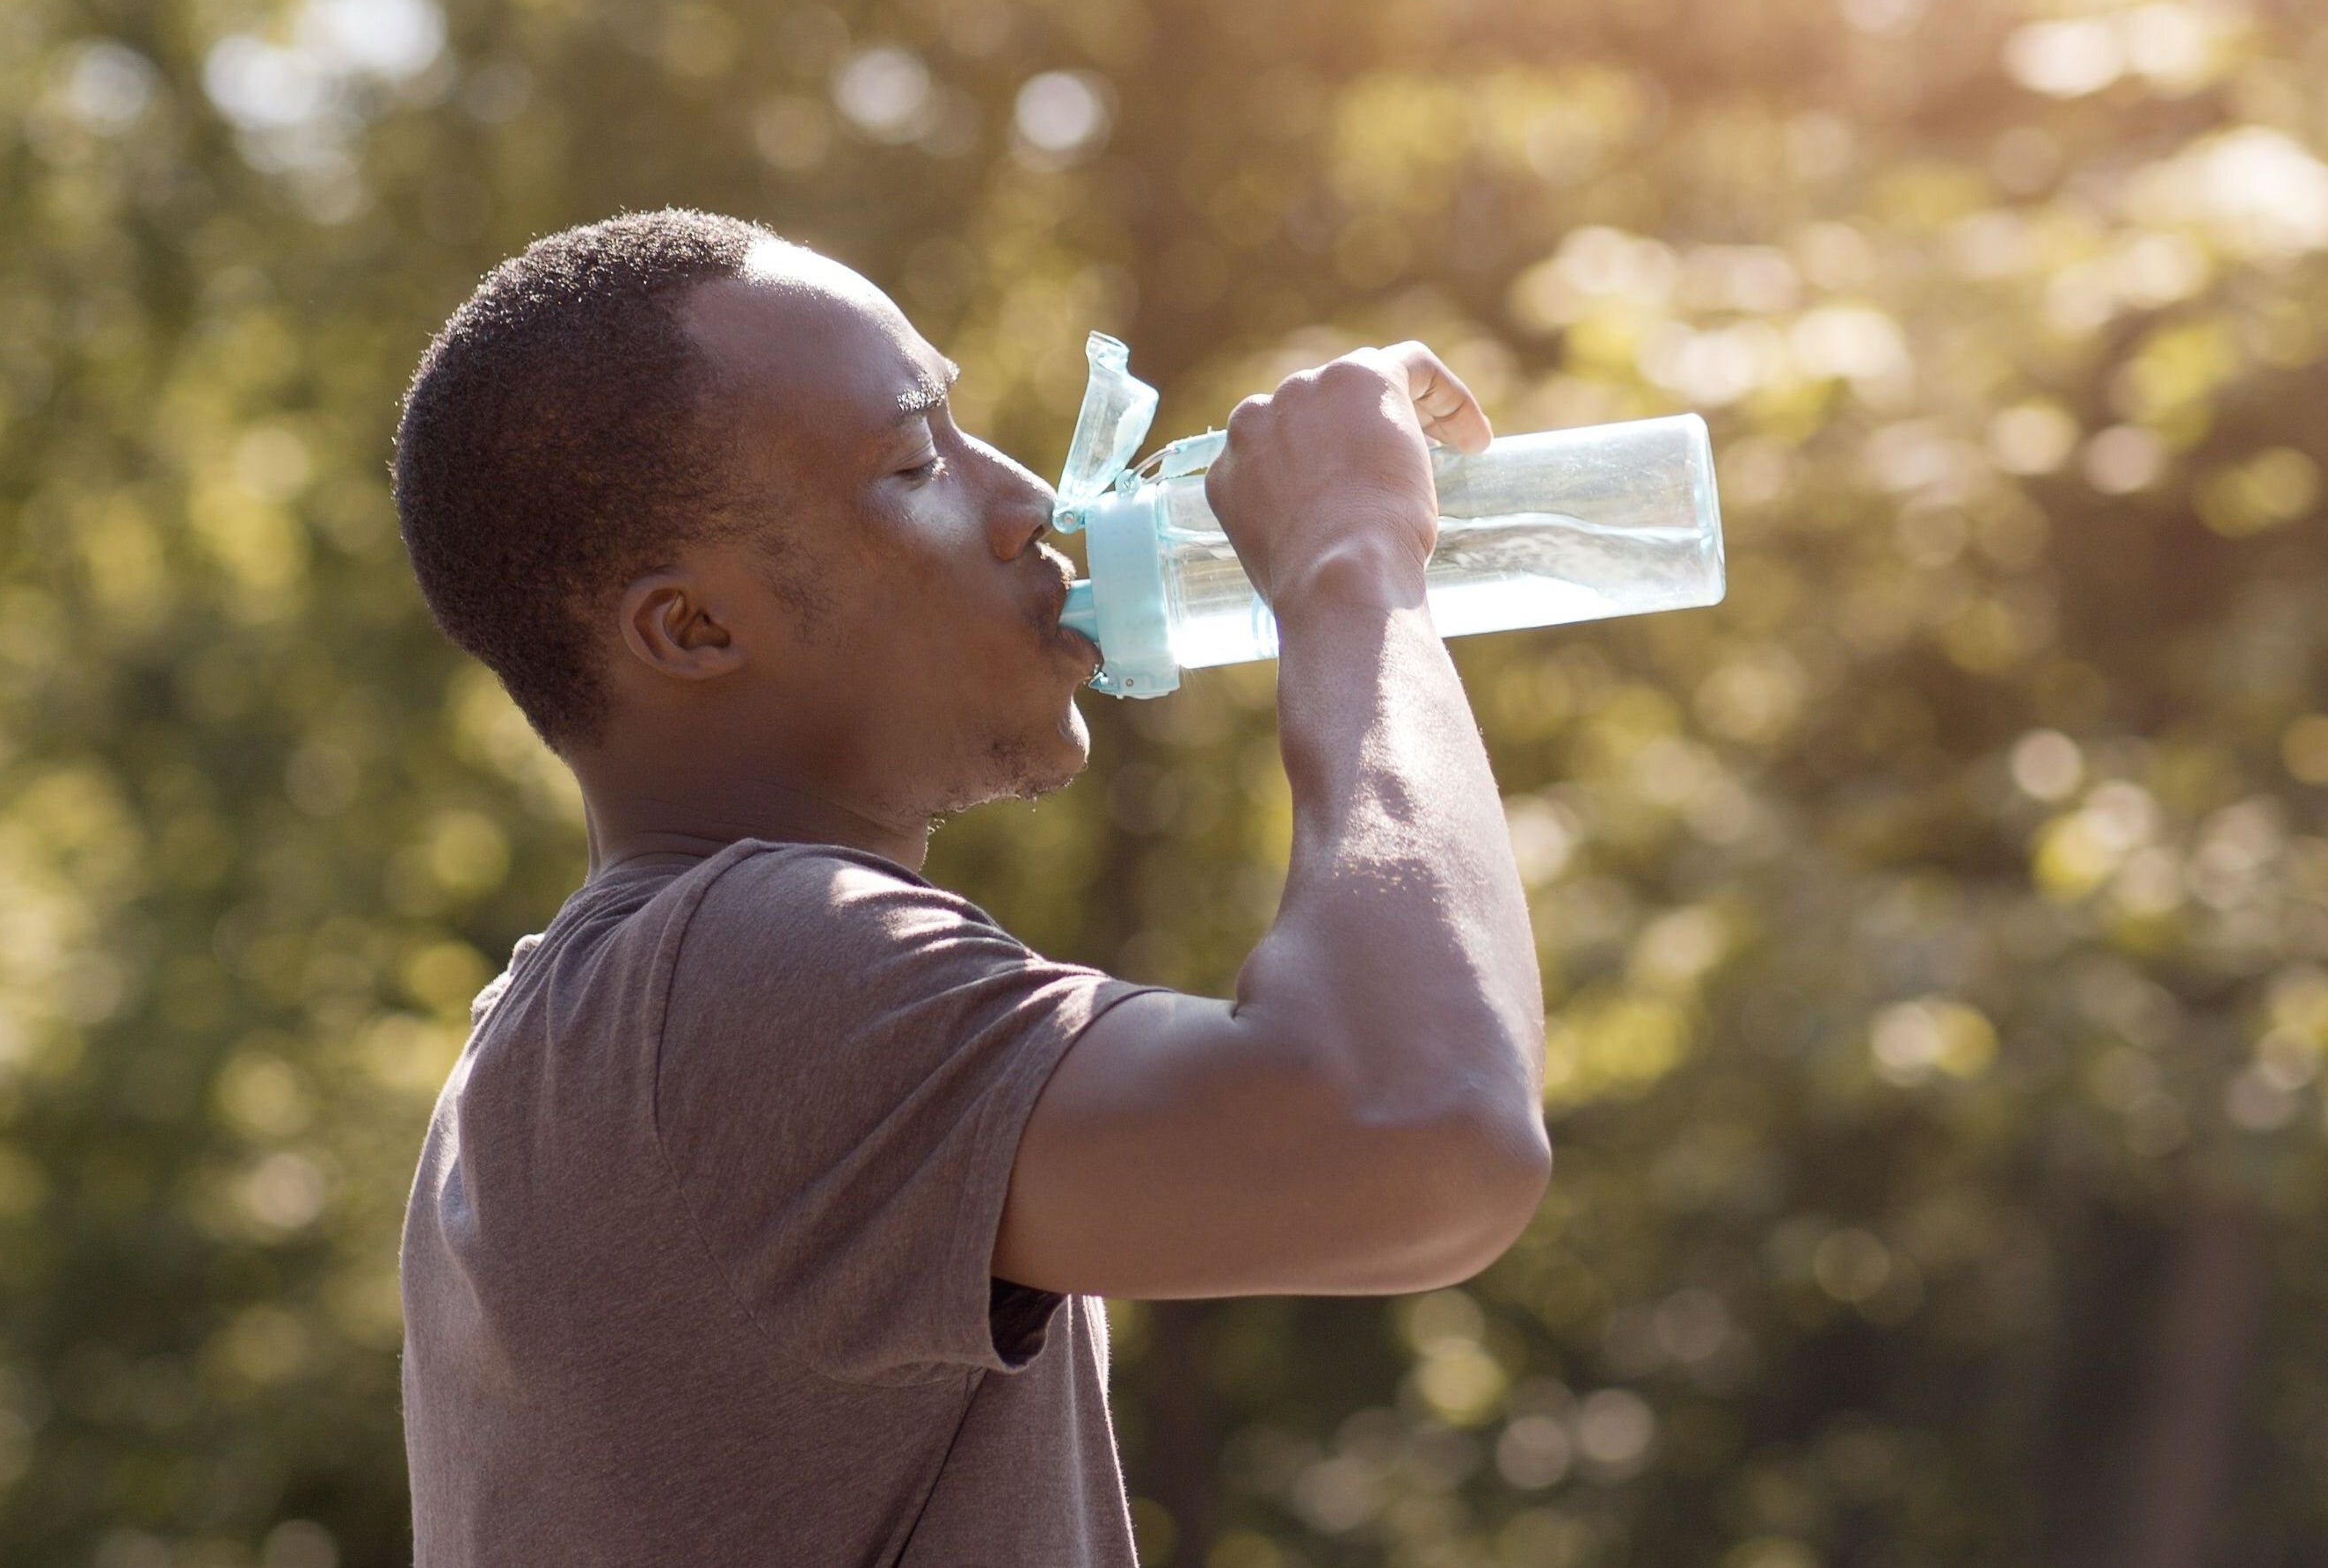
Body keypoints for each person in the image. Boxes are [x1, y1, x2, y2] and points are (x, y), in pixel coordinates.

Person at [389, 208, 1549, 1565]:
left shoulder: (570, 1033)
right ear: (694, 625)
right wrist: (1353, 566)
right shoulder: (740, 976)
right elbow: (1425, 1133)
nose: (1026, 504)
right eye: (912, 460)